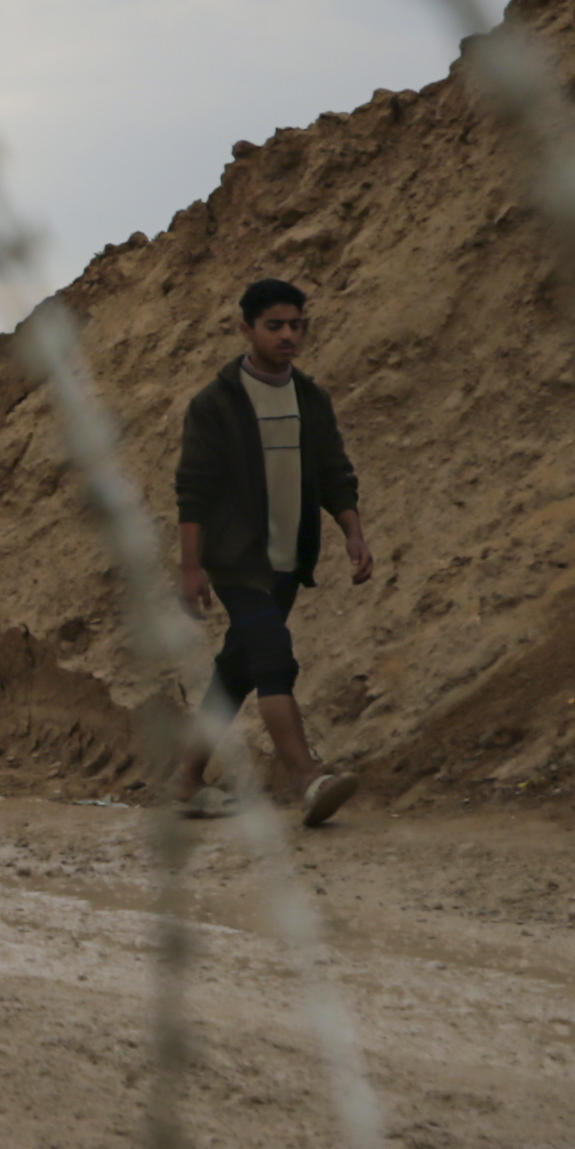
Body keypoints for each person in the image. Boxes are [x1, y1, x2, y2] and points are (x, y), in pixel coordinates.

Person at [171, 276, 375, 825]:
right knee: (273, 660)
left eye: (297, 325)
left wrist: (352, 530)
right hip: (237, 559)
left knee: (237, 669)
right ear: (246, 329)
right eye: (275, 326)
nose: (288, 335)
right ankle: (307, 779)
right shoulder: (216, 403)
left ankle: (186, 781)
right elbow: (193, 488)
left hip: (290, 557)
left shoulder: (310, 398)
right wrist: (191, 565)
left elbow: (334, 471)